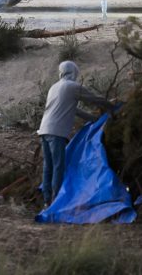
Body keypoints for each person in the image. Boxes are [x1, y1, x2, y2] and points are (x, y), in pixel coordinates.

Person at [37, 61, 115, 207]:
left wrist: (95, 119)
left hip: (44, 130)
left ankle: (47, 201)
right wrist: (112, 106)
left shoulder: (54, 87)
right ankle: (56, 201)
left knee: (48, 166)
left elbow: (75, 111)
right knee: (58, 166)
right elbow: (94, 99)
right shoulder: (72, 87)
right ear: (73, 72)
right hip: (57, 132)